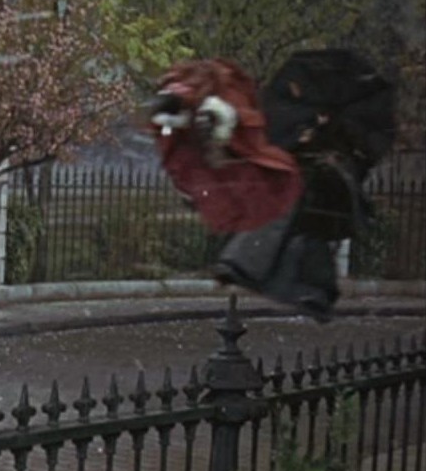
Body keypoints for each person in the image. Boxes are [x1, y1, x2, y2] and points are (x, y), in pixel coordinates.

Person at [146, 50, 395, 322]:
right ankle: (300, 288)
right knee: (291, 222)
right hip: (298, 191)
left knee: (292, 219)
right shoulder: (281, 121)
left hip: (318, 191)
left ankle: (275, 277)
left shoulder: (342, 143)